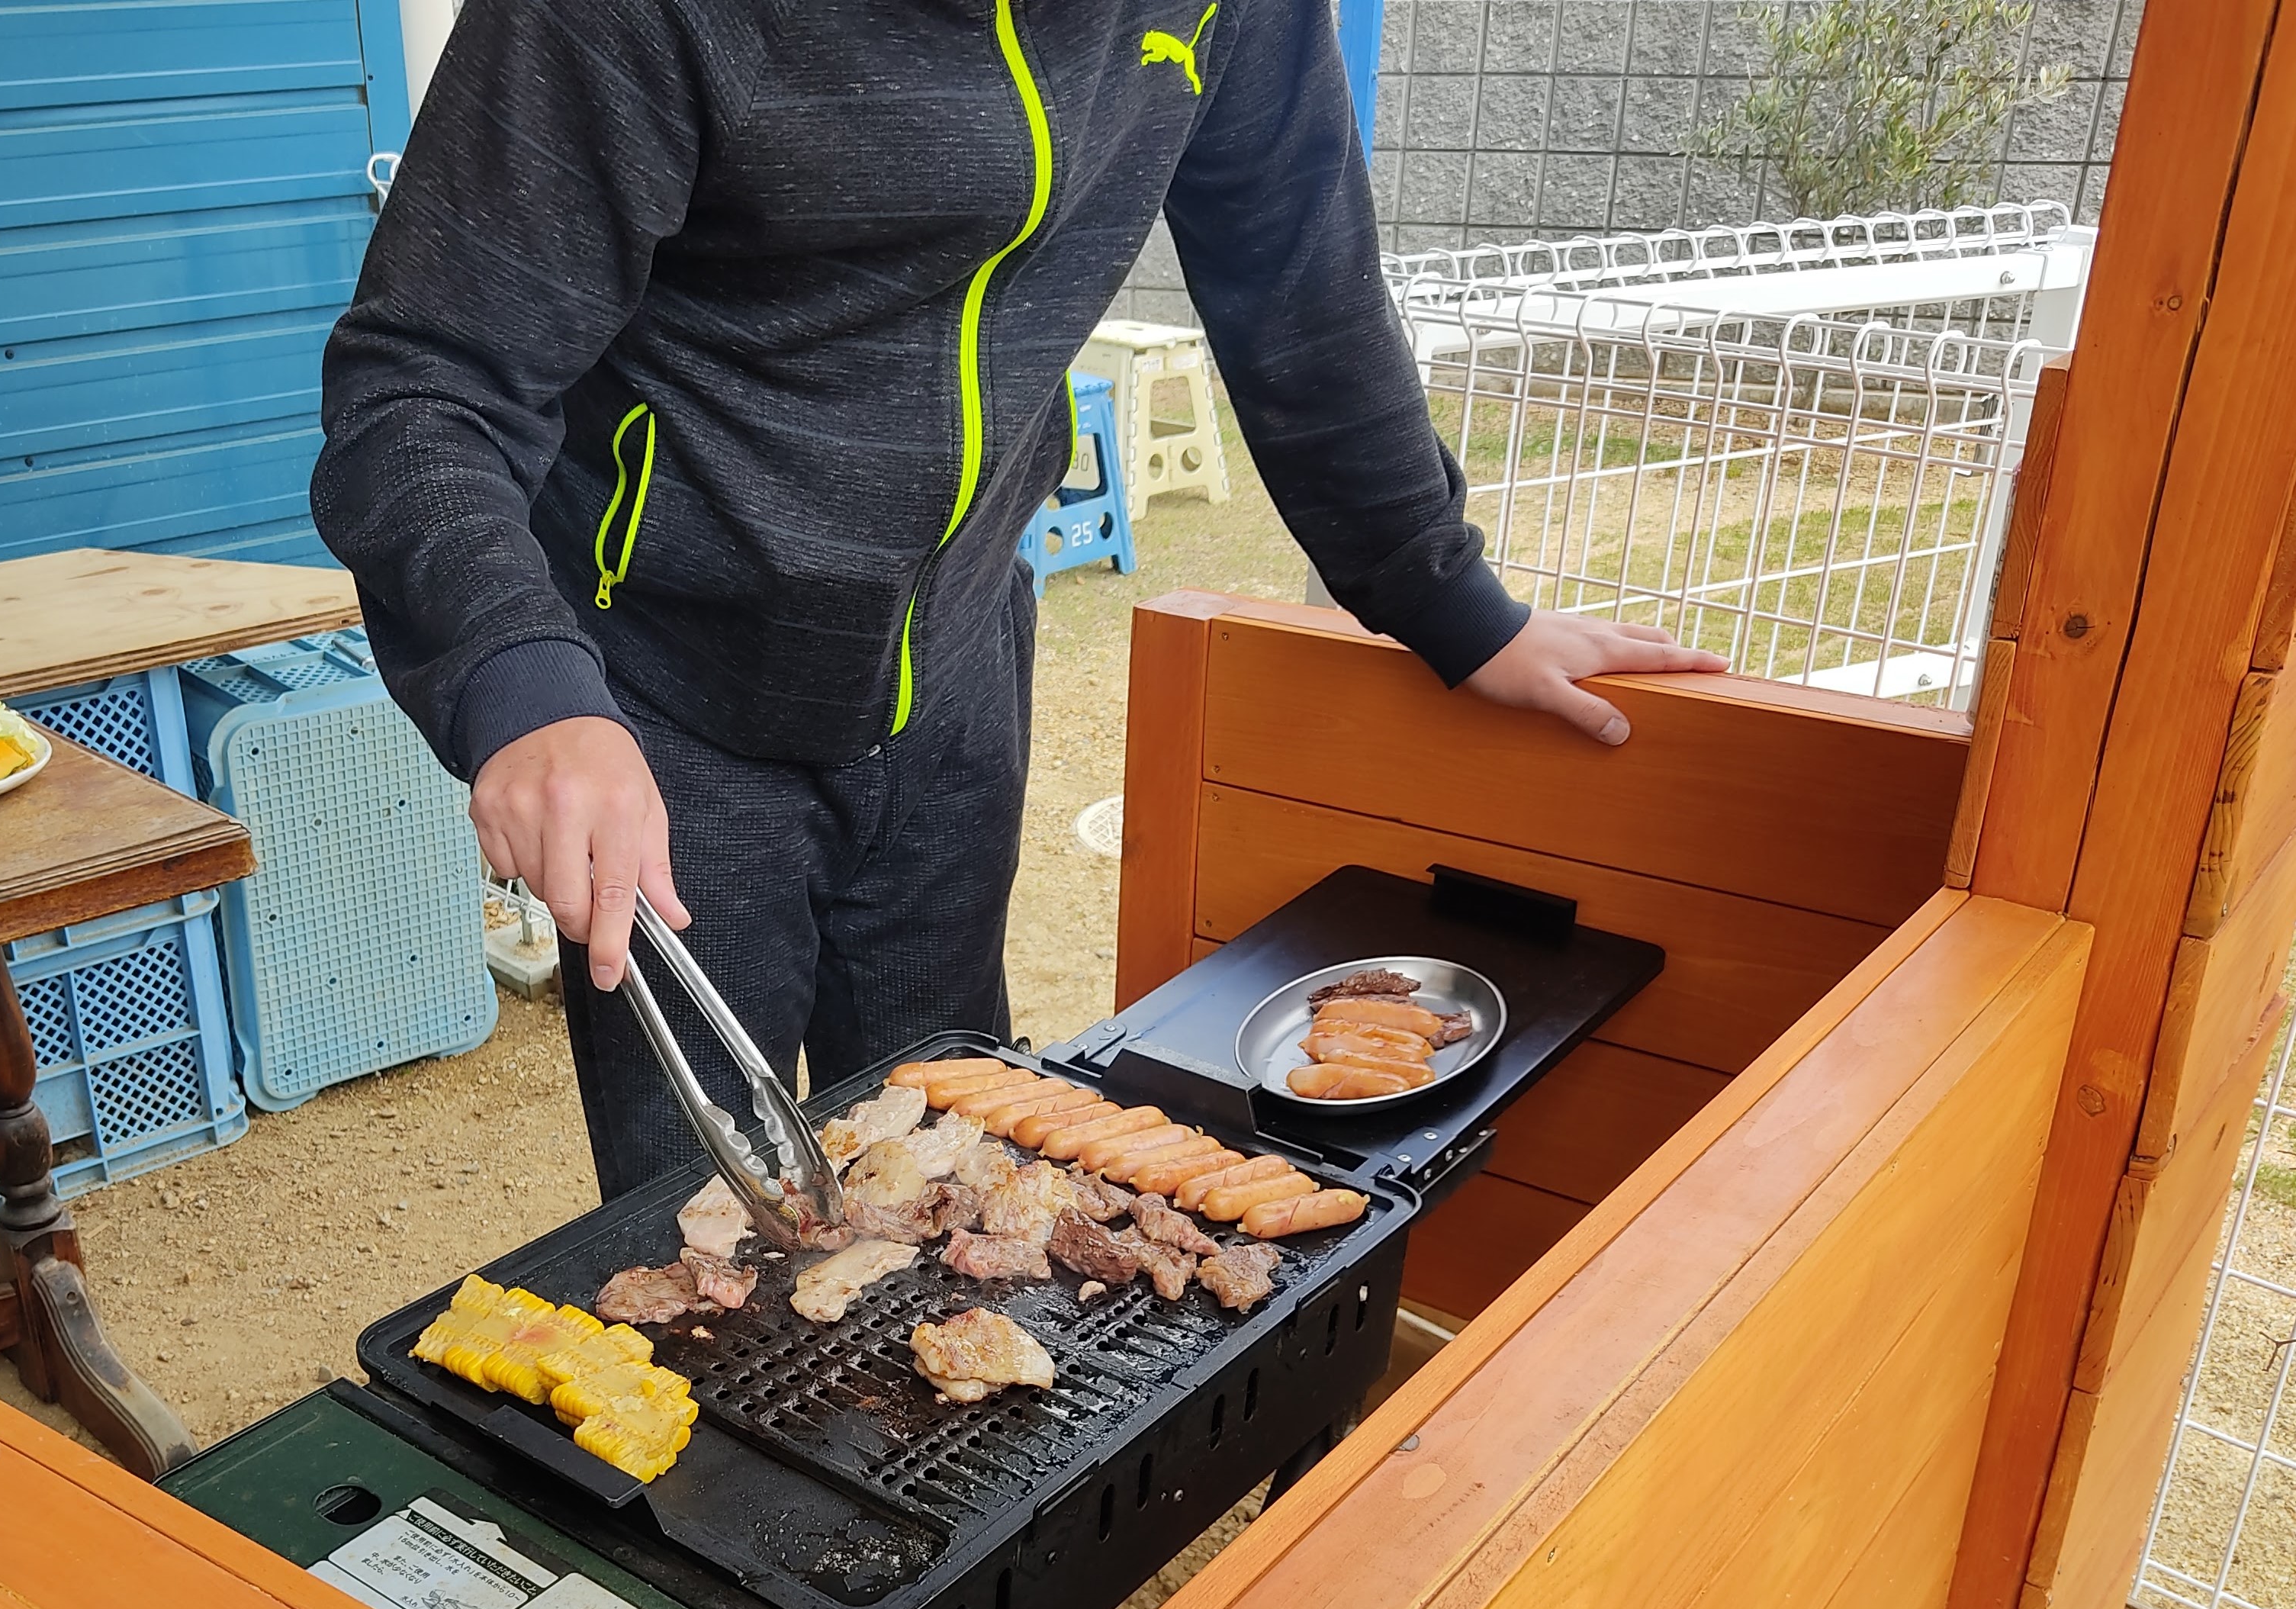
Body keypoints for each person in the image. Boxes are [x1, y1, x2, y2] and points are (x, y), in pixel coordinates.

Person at [310, 0, 1720, 1198]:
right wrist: (524, 692)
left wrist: (1451, 604)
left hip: (953, 659)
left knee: (961, 1143)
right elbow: (423, 386)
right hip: (661, 694)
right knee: (711, 1204)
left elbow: (1299, 288)